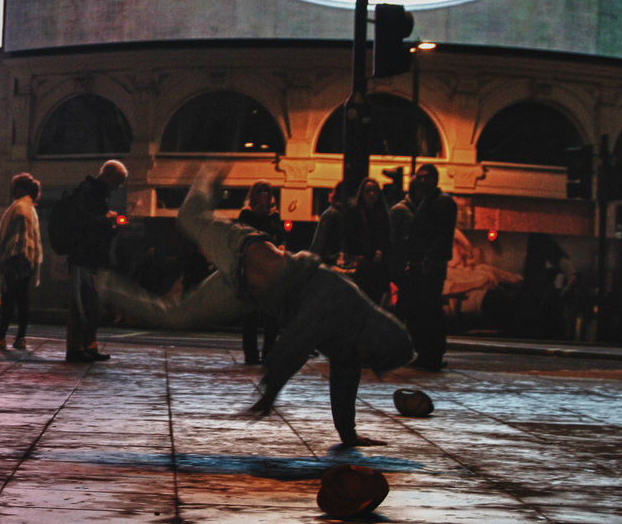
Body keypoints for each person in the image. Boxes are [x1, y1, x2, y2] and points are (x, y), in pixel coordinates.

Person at [95, 167, 413, 449]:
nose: (366, 363)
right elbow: (295, 345)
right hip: (242, 250)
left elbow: (346, 374)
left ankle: (105, 287)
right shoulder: (339, 303)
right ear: (376, 340)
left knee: (175, 316)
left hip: (246, 292)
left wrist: (348, 433)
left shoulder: (354, 341)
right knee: (188, 218)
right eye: (374, 359)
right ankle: (207, 175)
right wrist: (270, 393)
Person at [64, 159, 128, 363]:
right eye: (118, 182)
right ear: (108, 176)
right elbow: (82, 221)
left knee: (90, 305)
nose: (118, 187)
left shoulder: (98, 194)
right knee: (80, 305)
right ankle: (76, 348)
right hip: (82, 256)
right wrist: (106, 218)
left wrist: (111, 226)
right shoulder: (87, 192)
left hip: (92, 257)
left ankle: (88, 346)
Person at [396, 164, 457, 370]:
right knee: (420, 312)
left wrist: (428, 260)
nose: (422, 181)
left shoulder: (443, 202)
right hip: (420, 265)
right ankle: (425, 353)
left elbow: (442, 234)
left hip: (430, 266)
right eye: (419, 177)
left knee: (430, 311)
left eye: (426, 177)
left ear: (436, 179)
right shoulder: (426, 202)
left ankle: (433, 355)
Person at [311, 177, 392, 306]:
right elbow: (351, 240)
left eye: (374, 191)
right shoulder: (351, 213)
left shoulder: (381, 214)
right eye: (368, 191)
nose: (371, 194)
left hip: (374, 268)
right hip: (359, 267)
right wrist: (372, 253)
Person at [0, 172, 42, 350]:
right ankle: (20, 337)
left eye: (14, 187)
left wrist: (8, 259)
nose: (12, 190)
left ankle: (1, 336)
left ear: (21, 189)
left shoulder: (20, 208)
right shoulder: (29, 207)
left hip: (16, 260)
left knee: (9, 300)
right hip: (27, 261)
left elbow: (18, 238)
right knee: (22, 299)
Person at [238, 181, 287, 364]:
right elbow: (244, 235)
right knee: (251, 313)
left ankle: (269, 352)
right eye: (261, 192)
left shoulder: (273, 216)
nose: (265, 195)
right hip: (254, 267)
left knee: (272, 314)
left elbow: (282, 236)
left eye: (268, 192)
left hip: (271, 267)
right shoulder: (247, 214)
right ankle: (251, 354)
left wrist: (282, 245)